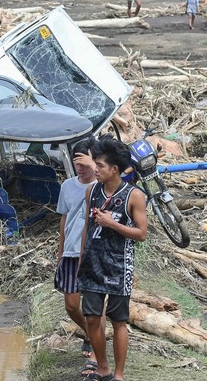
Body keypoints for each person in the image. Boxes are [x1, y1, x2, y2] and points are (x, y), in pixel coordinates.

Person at [78, 138, 148, 381]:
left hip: (119, 266)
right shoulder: (92, 191)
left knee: (118, 320)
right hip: (93, 264)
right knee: (92, 317)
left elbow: (141, 234)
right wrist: (81, 258)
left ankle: (119, 375)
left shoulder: (134, 196)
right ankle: (103, 368)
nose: (94, 169)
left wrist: (112, 223)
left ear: (114, 169)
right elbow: (86, 227)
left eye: (99, 165)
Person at [54, 138, 102, 377]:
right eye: (77, 163)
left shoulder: (103, 186)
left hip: (95, 254)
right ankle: (90, 333)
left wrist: (94, 168)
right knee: (72, 305)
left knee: (95, 308)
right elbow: (64, 220)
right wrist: (61, 251)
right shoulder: (67, 186)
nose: (80, 168)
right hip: (72, 252)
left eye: (84, 162)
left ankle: (96, 351)